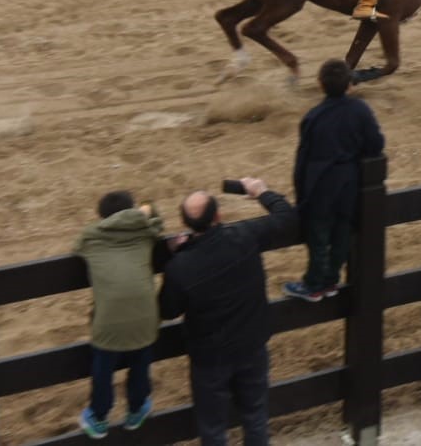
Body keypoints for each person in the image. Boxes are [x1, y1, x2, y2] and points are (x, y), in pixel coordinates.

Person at [158, 177, 298, 446]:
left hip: (210, 356)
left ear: (186, 224)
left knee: (212, 428)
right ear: (219, 215)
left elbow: (168, 311)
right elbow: (287, 219)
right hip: (251, 344)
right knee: (255, 416)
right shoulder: (244, 236)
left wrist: (177, 255)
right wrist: (261, 192)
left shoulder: (180, 266)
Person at [285, 58, 385, 302]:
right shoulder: (360, 110)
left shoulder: (313, 117)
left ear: (320, 85)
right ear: (350, 84)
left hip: (319, 183)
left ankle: (313, 284)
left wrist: (300, 189)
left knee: (318, 235)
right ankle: (331, 279)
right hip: (348, 182)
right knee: (343, 231)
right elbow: (376, 143)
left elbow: (303, 157)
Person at [75, 191, 165, 439]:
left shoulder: (92, 237)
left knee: (103, 366)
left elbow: (76, 246)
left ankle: (99, 416)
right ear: (133, 211)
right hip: (145, 317)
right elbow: (157, 219)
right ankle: (136, 409)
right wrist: (145, 208)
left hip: (109, 320)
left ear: (102, 217)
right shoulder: (145, 232)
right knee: (140, 362)